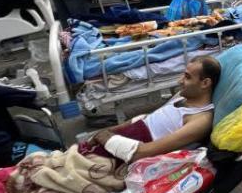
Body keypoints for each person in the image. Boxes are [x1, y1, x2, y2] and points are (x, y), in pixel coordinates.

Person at [85, 57, 219, 163]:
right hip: (123, 136)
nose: (180, 81)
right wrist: (111, 130)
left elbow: (142, 153)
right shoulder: (182, 96)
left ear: (205, 83)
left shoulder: (201, 119)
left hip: (128, 150)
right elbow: (149, 118)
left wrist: (106, 138)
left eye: (187, 77)